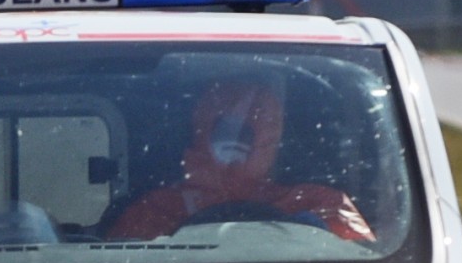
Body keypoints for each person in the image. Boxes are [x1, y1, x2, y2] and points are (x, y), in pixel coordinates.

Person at [108, 80, 373, 243]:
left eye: (249, 132)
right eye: (222, 128)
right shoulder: (158, 209)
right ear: (199, 130)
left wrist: (310, 234)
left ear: (274, 139)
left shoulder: (319, 204)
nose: (235, 140)